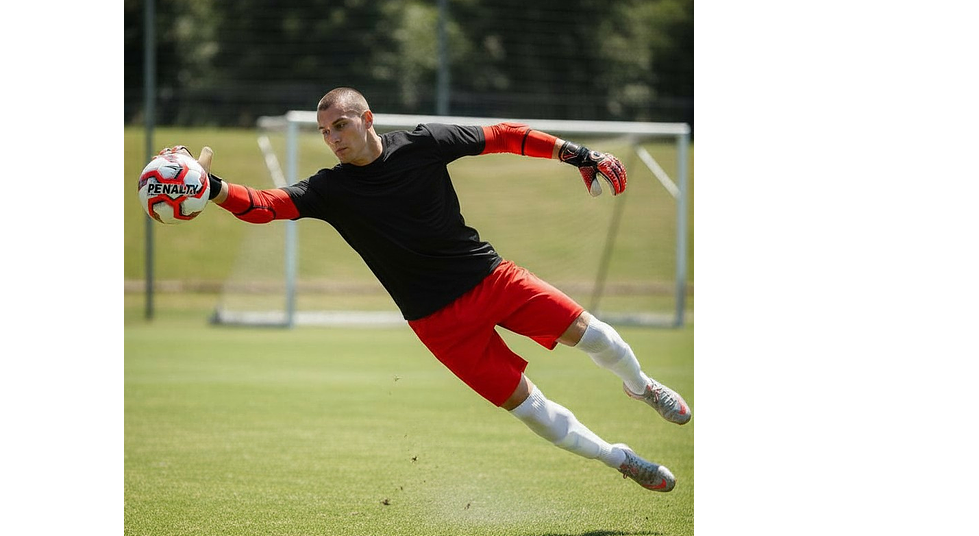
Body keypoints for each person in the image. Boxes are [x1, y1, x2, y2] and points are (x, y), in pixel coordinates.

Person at [183, 87, 691, 492]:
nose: (333, 138)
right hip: (438, 324)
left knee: (599, 337)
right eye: (324, 132)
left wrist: (574, 153)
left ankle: (641, 386)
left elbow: (503, 135)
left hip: (491, 279)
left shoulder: (422, 143)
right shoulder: (330, 189)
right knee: (535, 413)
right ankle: (620, 459)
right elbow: (265, 205)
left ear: (367, 119)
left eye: (340, 124)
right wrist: (212, 187)